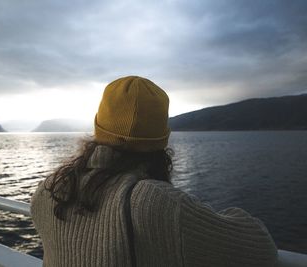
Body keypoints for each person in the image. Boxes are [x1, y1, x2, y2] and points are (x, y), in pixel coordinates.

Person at [30, 76, 278, 267]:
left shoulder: (48, 190)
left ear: (98, 128)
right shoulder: (156, 203)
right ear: (161, 141)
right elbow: (261, 248)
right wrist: (230, 213)